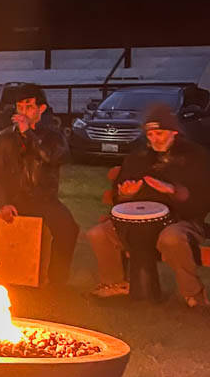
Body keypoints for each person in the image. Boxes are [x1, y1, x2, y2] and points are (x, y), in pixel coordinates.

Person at [86, 104, 210, 307]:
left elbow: (203, 198)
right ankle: (115, 284)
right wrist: (126, 194)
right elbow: (120, 194)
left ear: (174, 131)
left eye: (159, 133)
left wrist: (172, 190)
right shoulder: (139, 157)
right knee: (98, 234)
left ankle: (193, 294)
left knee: (171, 238)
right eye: (150, 135)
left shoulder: (194, 156)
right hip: (137, 223)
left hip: (182, 220)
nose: (154, 139)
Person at [0, 83, 79, 287]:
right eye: (20, 107)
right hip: (12, 198)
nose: (23, 112)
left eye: (29, 106)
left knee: (68, 229)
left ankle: (56, 281)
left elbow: (52, 157)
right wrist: (2, 203)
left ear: (41, 108)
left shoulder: (53, 135)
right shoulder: (5, 137)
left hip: (44, 200)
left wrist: (28, 134)